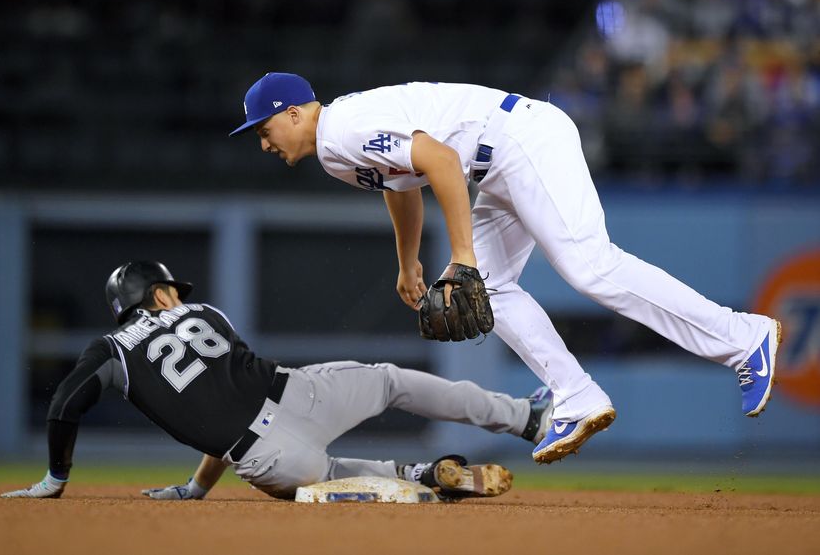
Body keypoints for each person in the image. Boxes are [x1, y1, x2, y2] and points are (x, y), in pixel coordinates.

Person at [228, 72, 783, 464]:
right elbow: (405, 182)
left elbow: (440, 161)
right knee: (488, 286)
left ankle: (743, 337)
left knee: (590, 266)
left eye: (263, 129)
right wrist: (408, 261)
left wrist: (462, 256)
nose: (263, 143)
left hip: (521, 140)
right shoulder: (332, 149)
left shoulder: (341, 130)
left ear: (292, 113)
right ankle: (577, 395)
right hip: (496, 163)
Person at [1, 261, 552, 501]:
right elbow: (228, 389)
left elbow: (65, 405)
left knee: (327, 477)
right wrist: (198, 484)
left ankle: (420, 477)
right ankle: (525, 418)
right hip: (298, 394)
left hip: (267, 458)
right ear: (163, 293)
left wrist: (55, 477)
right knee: (390, 382)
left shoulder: (113, 349)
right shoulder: (206, 315)